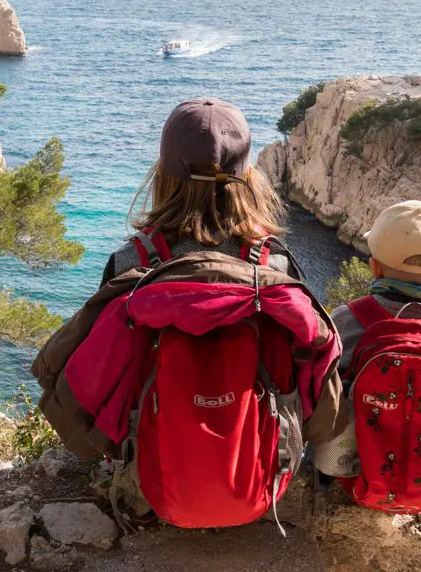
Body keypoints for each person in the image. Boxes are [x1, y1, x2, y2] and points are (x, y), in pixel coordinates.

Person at [33, 98, 344, 532]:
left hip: (152, 479)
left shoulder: (131, 265)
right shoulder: (276, 269)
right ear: (249, 178)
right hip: (262, 477)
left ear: (162, 175)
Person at [314, 200, 421, 513]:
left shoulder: (348, 318)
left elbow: (323, 387)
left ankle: (326, 473)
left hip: (352, 468)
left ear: (374, 266)